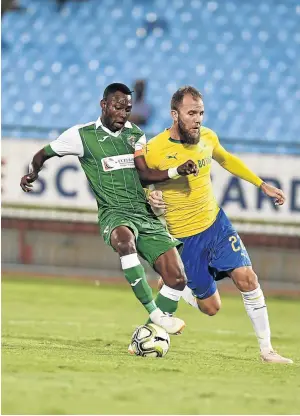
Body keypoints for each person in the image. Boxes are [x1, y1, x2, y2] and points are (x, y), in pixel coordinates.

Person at [20, 83, 198, 336]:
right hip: (113, 213)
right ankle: (156, 314)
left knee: (177, 278)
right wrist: (33, 173)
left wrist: (175, 171)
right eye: (117, 107)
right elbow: (43, 154)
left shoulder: (135, 134)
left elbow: (145, 175)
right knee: (125, 242)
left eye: (127, 109)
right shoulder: (81, 135)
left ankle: (149, 334)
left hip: (143, 212)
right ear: (103, 105)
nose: (122, 114)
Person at [143, 85, 293, 364]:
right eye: (191, 113)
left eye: (200, 112)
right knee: (212, 308)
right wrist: (148, 195)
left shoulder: (208, 137)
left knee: (248, 278)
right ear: (175, 115)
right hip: (185, 239)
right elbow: (138, 180)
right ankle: (181, 284)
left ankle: (267, 351)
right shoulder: (154, 149)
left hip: (216, 225)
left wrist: (261, 185)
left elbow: (226, 159)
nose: (198, 118)